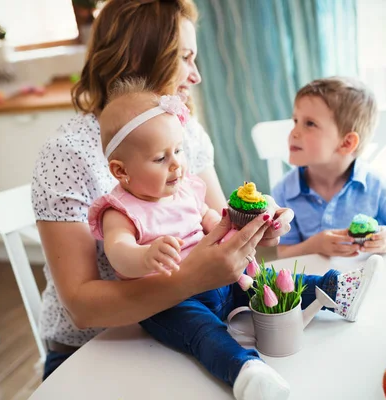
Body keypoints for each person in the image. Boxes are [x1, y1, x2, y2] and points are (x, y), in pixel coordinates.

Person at [32, 0, 294, 380]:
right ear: (142, 56)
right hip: (96, 349)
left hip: (197, 318)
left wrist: (254, 228)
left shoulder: (184, 133)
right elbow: (83, 308)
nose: (196, 75)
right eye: (185, 58)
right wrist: (188, 278)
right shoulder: (67, 154)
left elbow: (220, 228)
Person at [88, 82, 378, 400]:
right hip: (170, 301)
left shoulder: (185, 189)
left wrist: (239, 229)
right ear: (121, 171)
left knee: (270, 284)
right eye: (160, 158)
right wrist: (144, 256)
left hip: (220, 280)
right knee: (204, 333)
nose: (176, 164)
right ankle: (247, 373)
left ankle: (337, 288)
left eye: (179, 150)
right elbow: (118, 251)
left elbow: (212, 219)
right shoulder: (120, 210)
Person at [272, 77, 386, 260]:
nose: (294, 132)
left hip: (369, 281)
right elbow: (284, 253)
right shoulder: (283, 191)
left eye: (310, 123)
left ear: (346, 143)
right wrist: (316, 245)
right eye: (295, 121)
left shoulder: (379, 188)